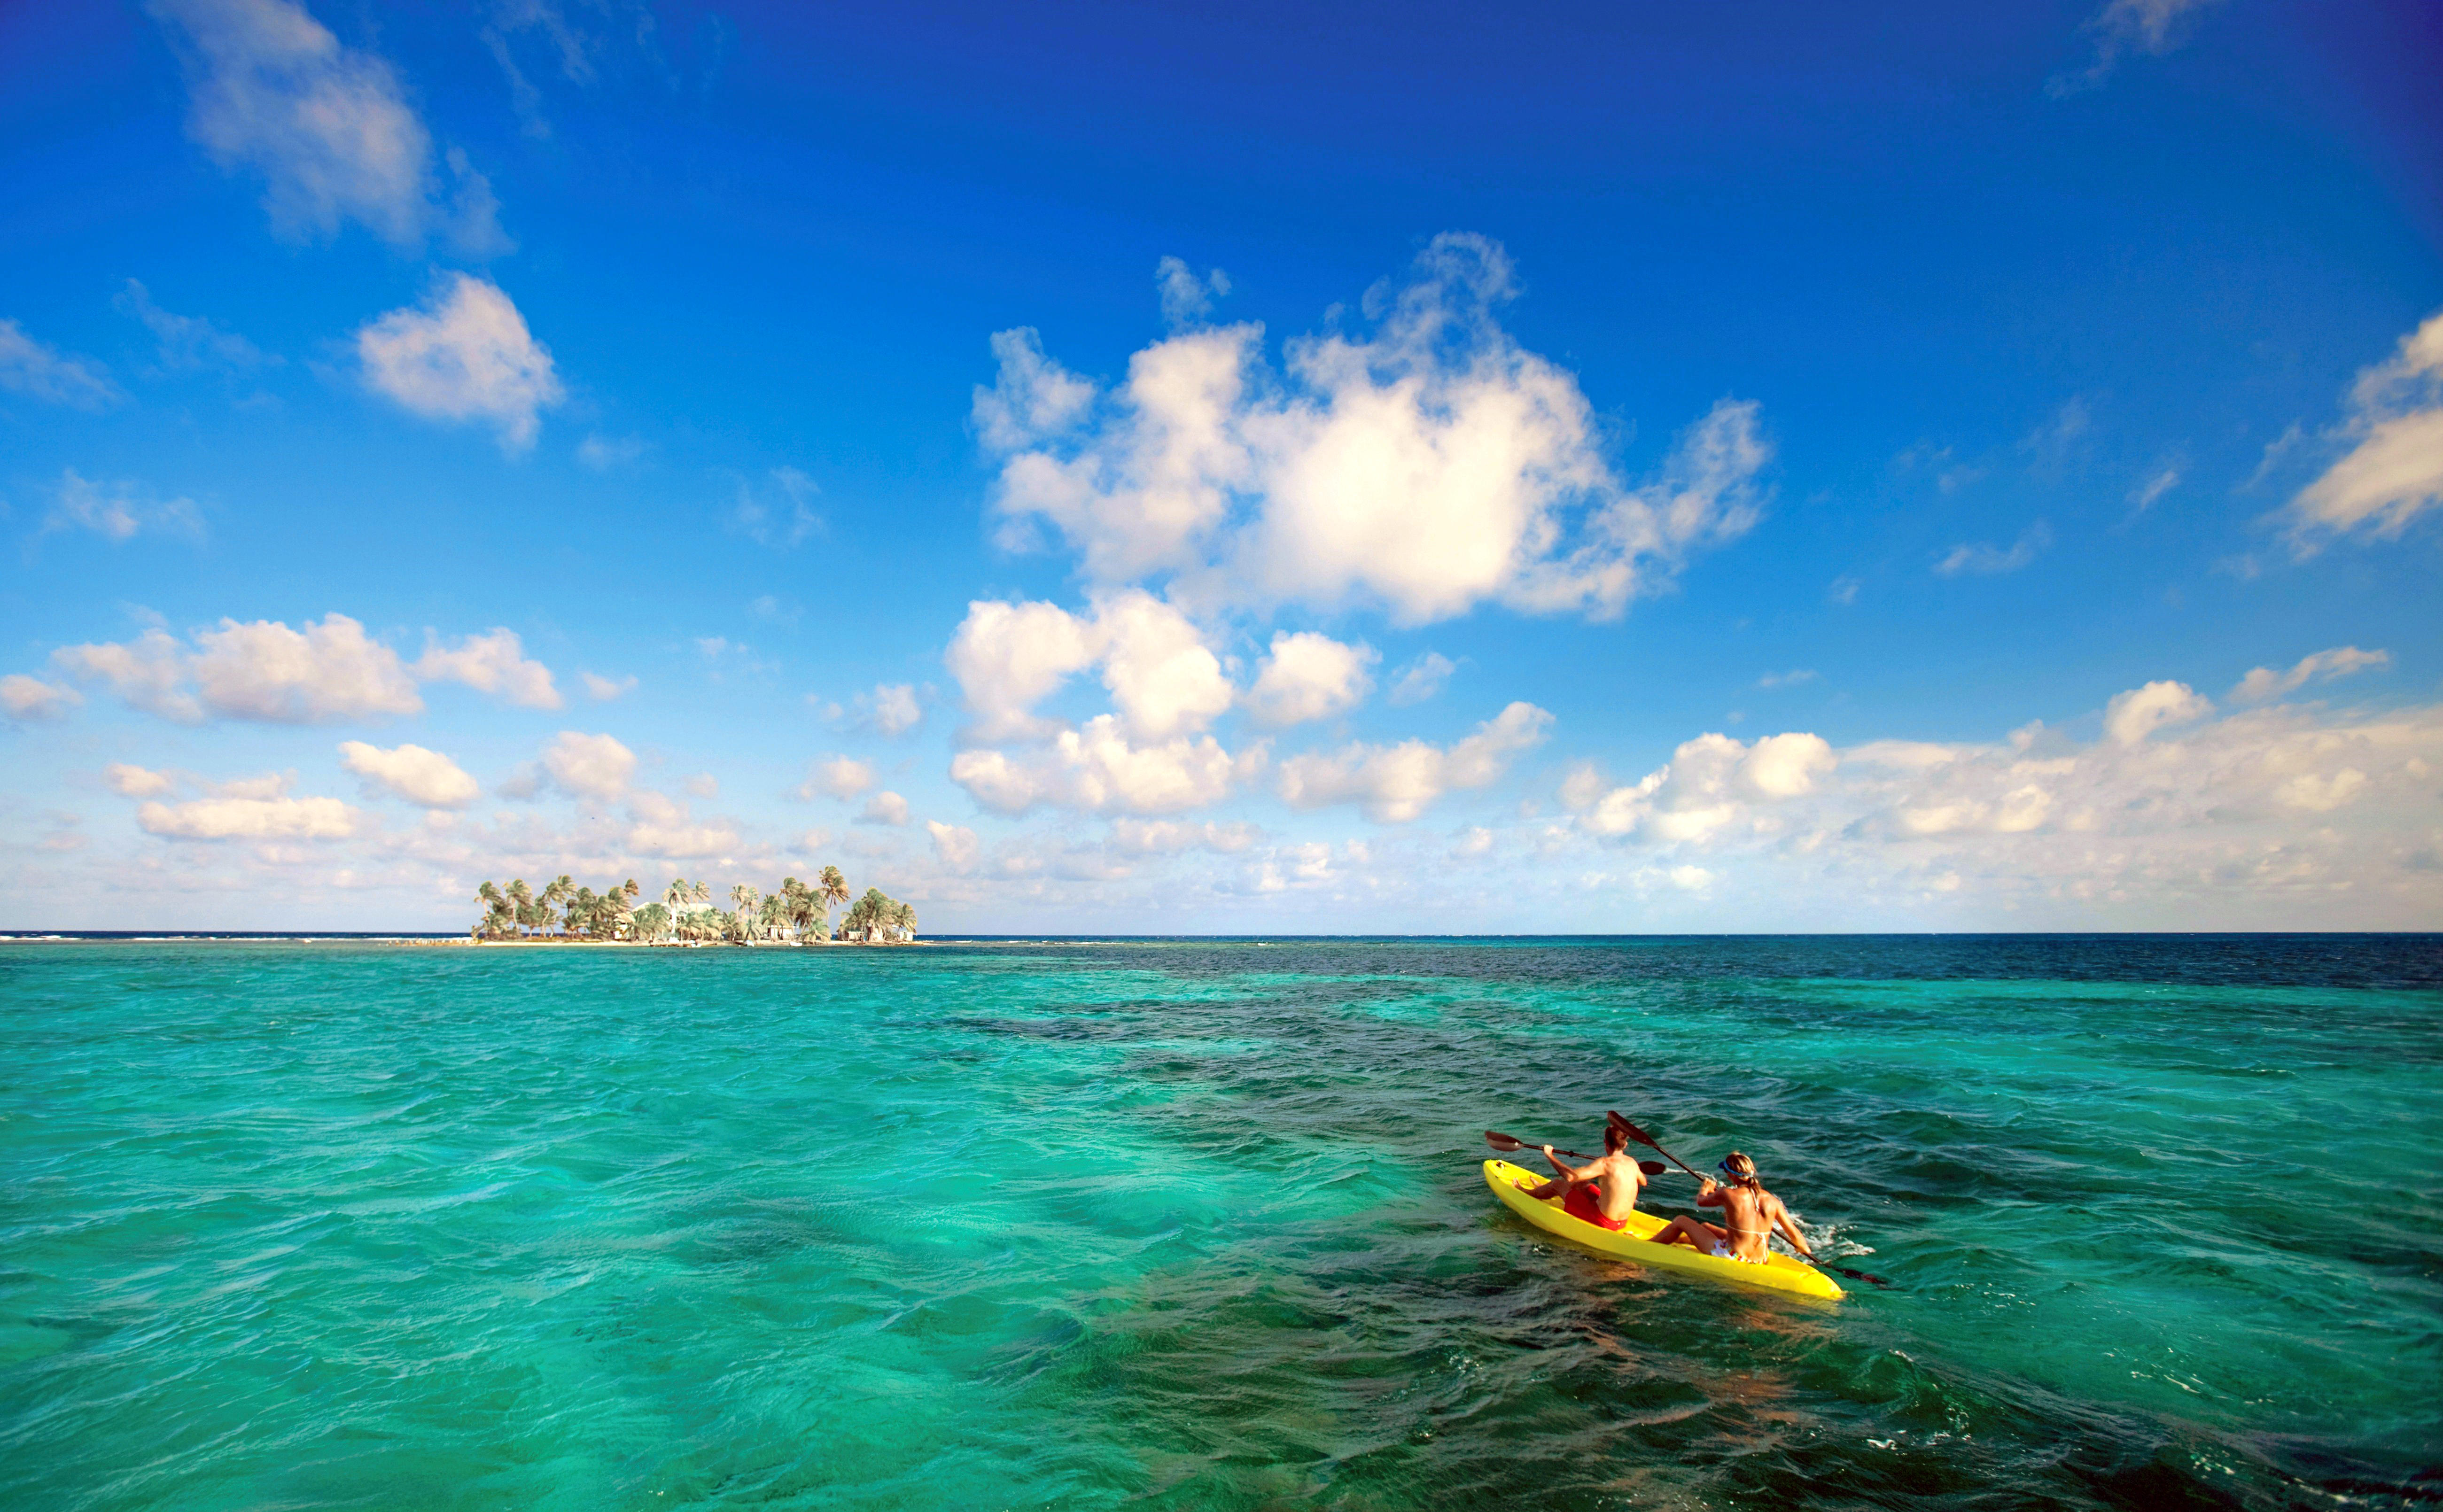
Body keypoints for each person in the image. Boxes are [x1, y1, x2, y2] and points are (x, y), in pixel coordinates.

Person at [1648, 1151, 1817, 1265]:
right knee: (1706, 1227)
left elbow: (1701, 1202)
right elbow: (1798, 1239)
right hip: (1761, 1260)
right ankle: (1676, 1241)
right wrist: (1803, 1248)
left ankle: (1646, 1246)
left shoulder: (1728, 1194)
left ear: (1731, 1175)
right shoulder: (1772, 1200)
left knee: (1681, 1221)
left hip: (1735, 1258)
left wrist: (1705, 1189)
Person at [1527, 1123, 1648, 1232]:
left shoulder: (1604, 1164)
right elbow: (1644, 1182)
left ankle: (1525, 1192)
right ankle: (1546, 1190)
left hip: (1603, 1221)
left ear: (1605, 1143)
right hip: (1623, 1223)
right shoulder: (1632, 1163)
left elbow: (1570, 1176)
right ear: (1625, 1145)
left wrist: (1550, 1155)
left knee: (1557, 1184)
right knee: (1582, 1184)